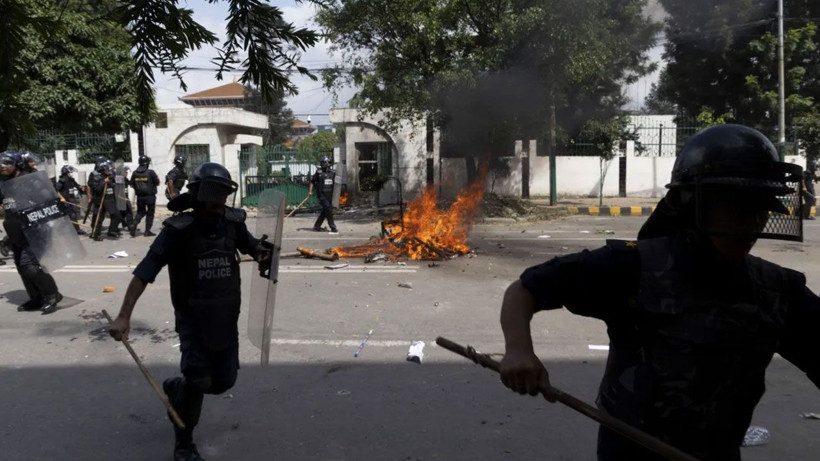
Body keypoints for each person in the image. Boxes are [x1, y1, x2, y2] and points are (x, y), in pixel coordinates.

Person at [498, 124, 820, 461]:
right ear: (693, 204)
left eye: (759, 209)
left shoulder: (778, 291)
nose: (750, 222)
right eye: (735, 208)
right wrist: (519, 350)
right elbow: (525, 288)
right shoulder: (634, 267)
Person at [107, 162, 273, 461]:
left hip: (226, 317)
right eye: (212, 193)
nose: (218, 202)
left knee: (223, 382)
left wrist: (262, 254)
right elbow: (145, 272)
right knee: (198, 380)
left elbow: (250, 246)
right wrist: (123, 316)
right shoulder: (178, 230)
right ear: (197, 195)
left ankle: (178, 388)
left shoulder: (232, 222)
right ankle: (184, 444)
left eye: (222, 194)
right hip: (192, 318)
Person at [0, 150, 64, 314]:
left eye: (7, 163)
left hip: (36, 229)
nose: (2, 166)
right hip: (16, 231)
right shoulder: (3, 183)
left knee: (31, 266)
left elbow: (48, 201)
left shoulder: (31, 180)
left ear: (17, 164)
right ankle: (36, 297)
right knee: (22, 267)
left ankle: (52, 294)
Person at [88, 160, 123, 240]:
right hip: (100, 200)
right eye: (107, 169)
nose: (109, 170)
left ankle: (112, 230)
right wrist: (104, 182)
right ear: (103, 169)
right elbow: (96, 188)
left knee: (117, 215)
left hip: (110, 200)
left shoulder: (111, 175)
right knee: (98, 218)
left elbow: (120, 181)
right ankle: (95, 234)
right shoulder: (97, 177)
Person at [129, 156, 160, 237]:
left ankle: (134, 223)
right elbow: (157, 183)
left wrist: (138, 188)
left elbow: (131, 185)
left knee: (140, 212)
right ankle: (147, 231)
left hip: (140, 197)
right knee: (150, 213)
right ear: (147, 163)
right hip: (150, 197)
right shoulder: (151, 172)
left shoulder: (135, 173)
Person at [307, 155, 337, 233]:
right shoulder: (319, 173)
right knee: (328, 209)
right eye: (323, 163)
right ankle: (333, 227)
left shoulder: (333, 173)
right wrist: (310, 191)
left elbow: (337, 184)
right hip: (321, 195)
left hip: (330, 195)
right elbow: (312, 182)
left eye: (326, 163)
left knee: (325, 210)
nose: (325, 165)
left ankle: (317, 226)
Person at [55, 165, 86, 235]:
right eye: (69, 172)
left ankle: (75, 230)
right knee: (70, 215)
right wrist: (61, 198)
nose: (71, 174)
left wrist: (81, 188)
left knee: (72, 215)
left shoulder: (71, 180)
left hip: (71, 199)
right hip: (65, 200)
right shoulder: (62, 180)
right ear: (66, 173)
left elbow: (77, 186)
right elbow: (56, 190)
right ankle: (75, 230)